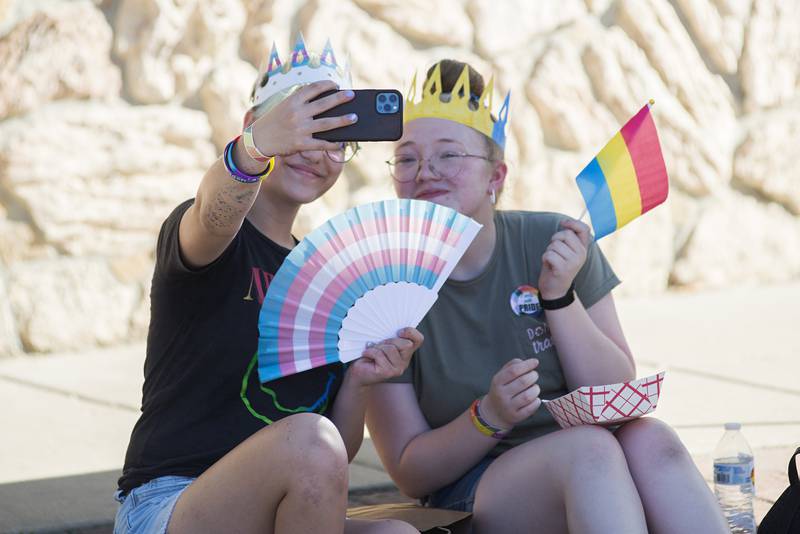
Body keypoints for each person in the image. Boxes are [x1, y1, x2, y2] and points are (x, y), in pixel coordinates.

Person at [366, 59, 729, 534]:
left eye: (449, 155)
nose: (425, 171)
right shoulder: (379, 287)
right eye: (408, 158)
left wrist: (559, 298)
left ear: (496, 176)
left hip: (593, 464)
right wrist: (487, 416)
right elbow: (409, 470)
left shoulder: (552, 239)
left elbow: (615, 394)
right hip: (474, 488)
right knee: (591, 451)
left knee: (649, 439)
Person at [114, 37, 421, 534]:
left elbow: (332, 456)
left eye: (334, 138)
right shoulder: (212, 233)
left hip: (280, 506)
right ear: (254, 125)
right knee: (307, 443)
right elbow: (214, 212)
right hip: (169, 504)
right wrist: (255, 148)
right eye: (300, 125)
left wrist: (362, 379)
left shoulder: (329, 280)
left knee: (396, 533)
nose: (313, 149)